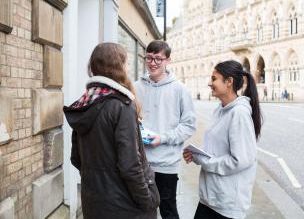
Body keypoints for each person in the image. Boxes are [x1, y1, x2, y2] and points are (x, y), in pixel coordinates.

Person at [63, 43, 160, 219]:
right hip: (125, 207)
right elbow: (130, 166)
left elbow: (76, 158)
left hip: (94, 202)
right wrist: (148, 200)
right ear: (119, 66)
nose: (128, 67)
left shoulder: (85, 103)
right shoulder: (121, 105)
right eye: (127, 63)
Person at [183, 60, 262, 219]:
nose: (209, 83)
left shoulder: (239, 114)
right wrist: (197, 153)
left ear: (229, 82)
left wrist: (203, 160)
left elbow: (240, 160)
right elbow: (217, 148)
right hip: (211, 199)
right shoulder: (220, 110)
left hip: (226, 205)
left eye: (214, 79)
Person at [134, 40, 196, 219]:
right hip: (139, 163)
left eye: (158, 59)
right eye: (149, 58)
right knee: (141, 211)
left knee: (168, 211)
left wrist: (162, 138)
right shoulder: (136, 87)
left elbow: (189, 125)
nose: (153, 63)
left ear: (168, 60)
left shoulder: (180, 89)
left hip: (166, 165)